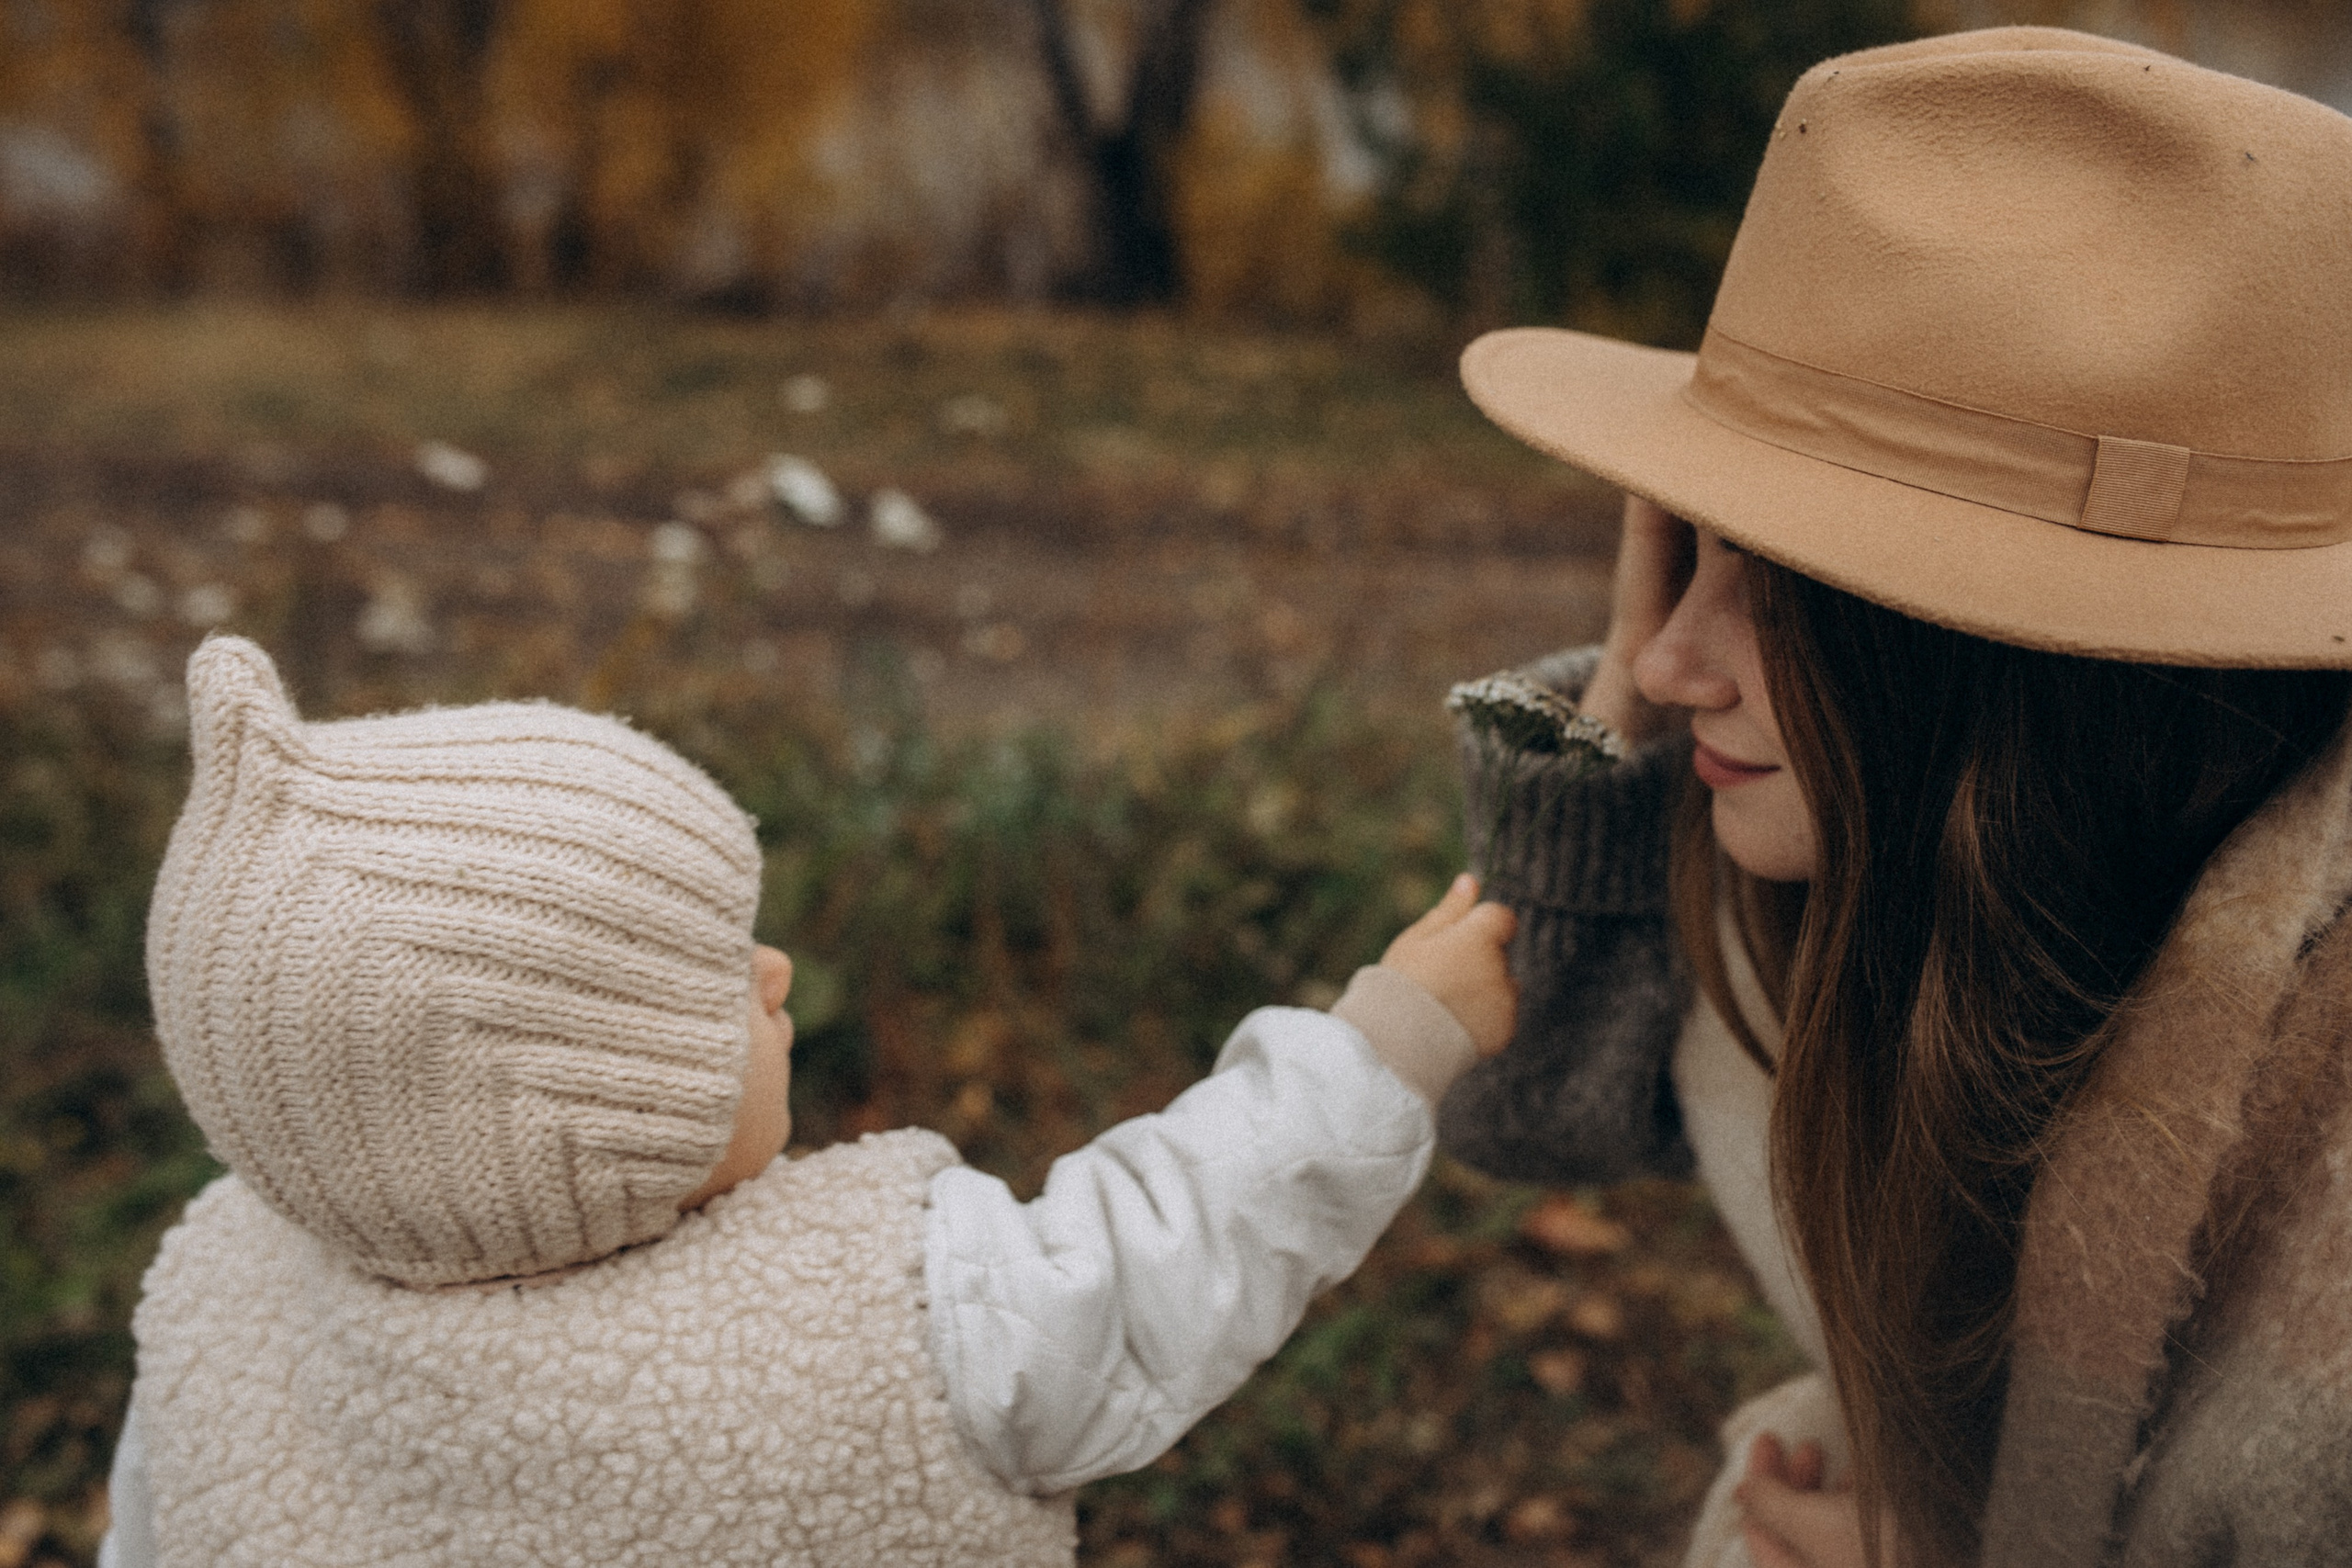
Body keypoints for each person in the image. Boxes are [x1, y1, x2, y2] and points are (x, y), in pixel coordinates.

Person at [1431, 26, 2352, 1568]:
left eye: (1786, 589)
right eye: (1687, 543)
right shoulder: (1869, 870)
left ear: (2016, 669)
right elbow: (1526, 1105)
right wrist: (1621, 719)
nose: (1662, 660)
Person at [100, 635, 1517, 1567]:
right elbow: (1174, 1249)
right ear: (590, 1114)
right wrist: (1386, 1043)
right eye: (716, 975)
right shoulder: (891, 1315)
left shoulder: (221, 1319)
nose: (776, 971)